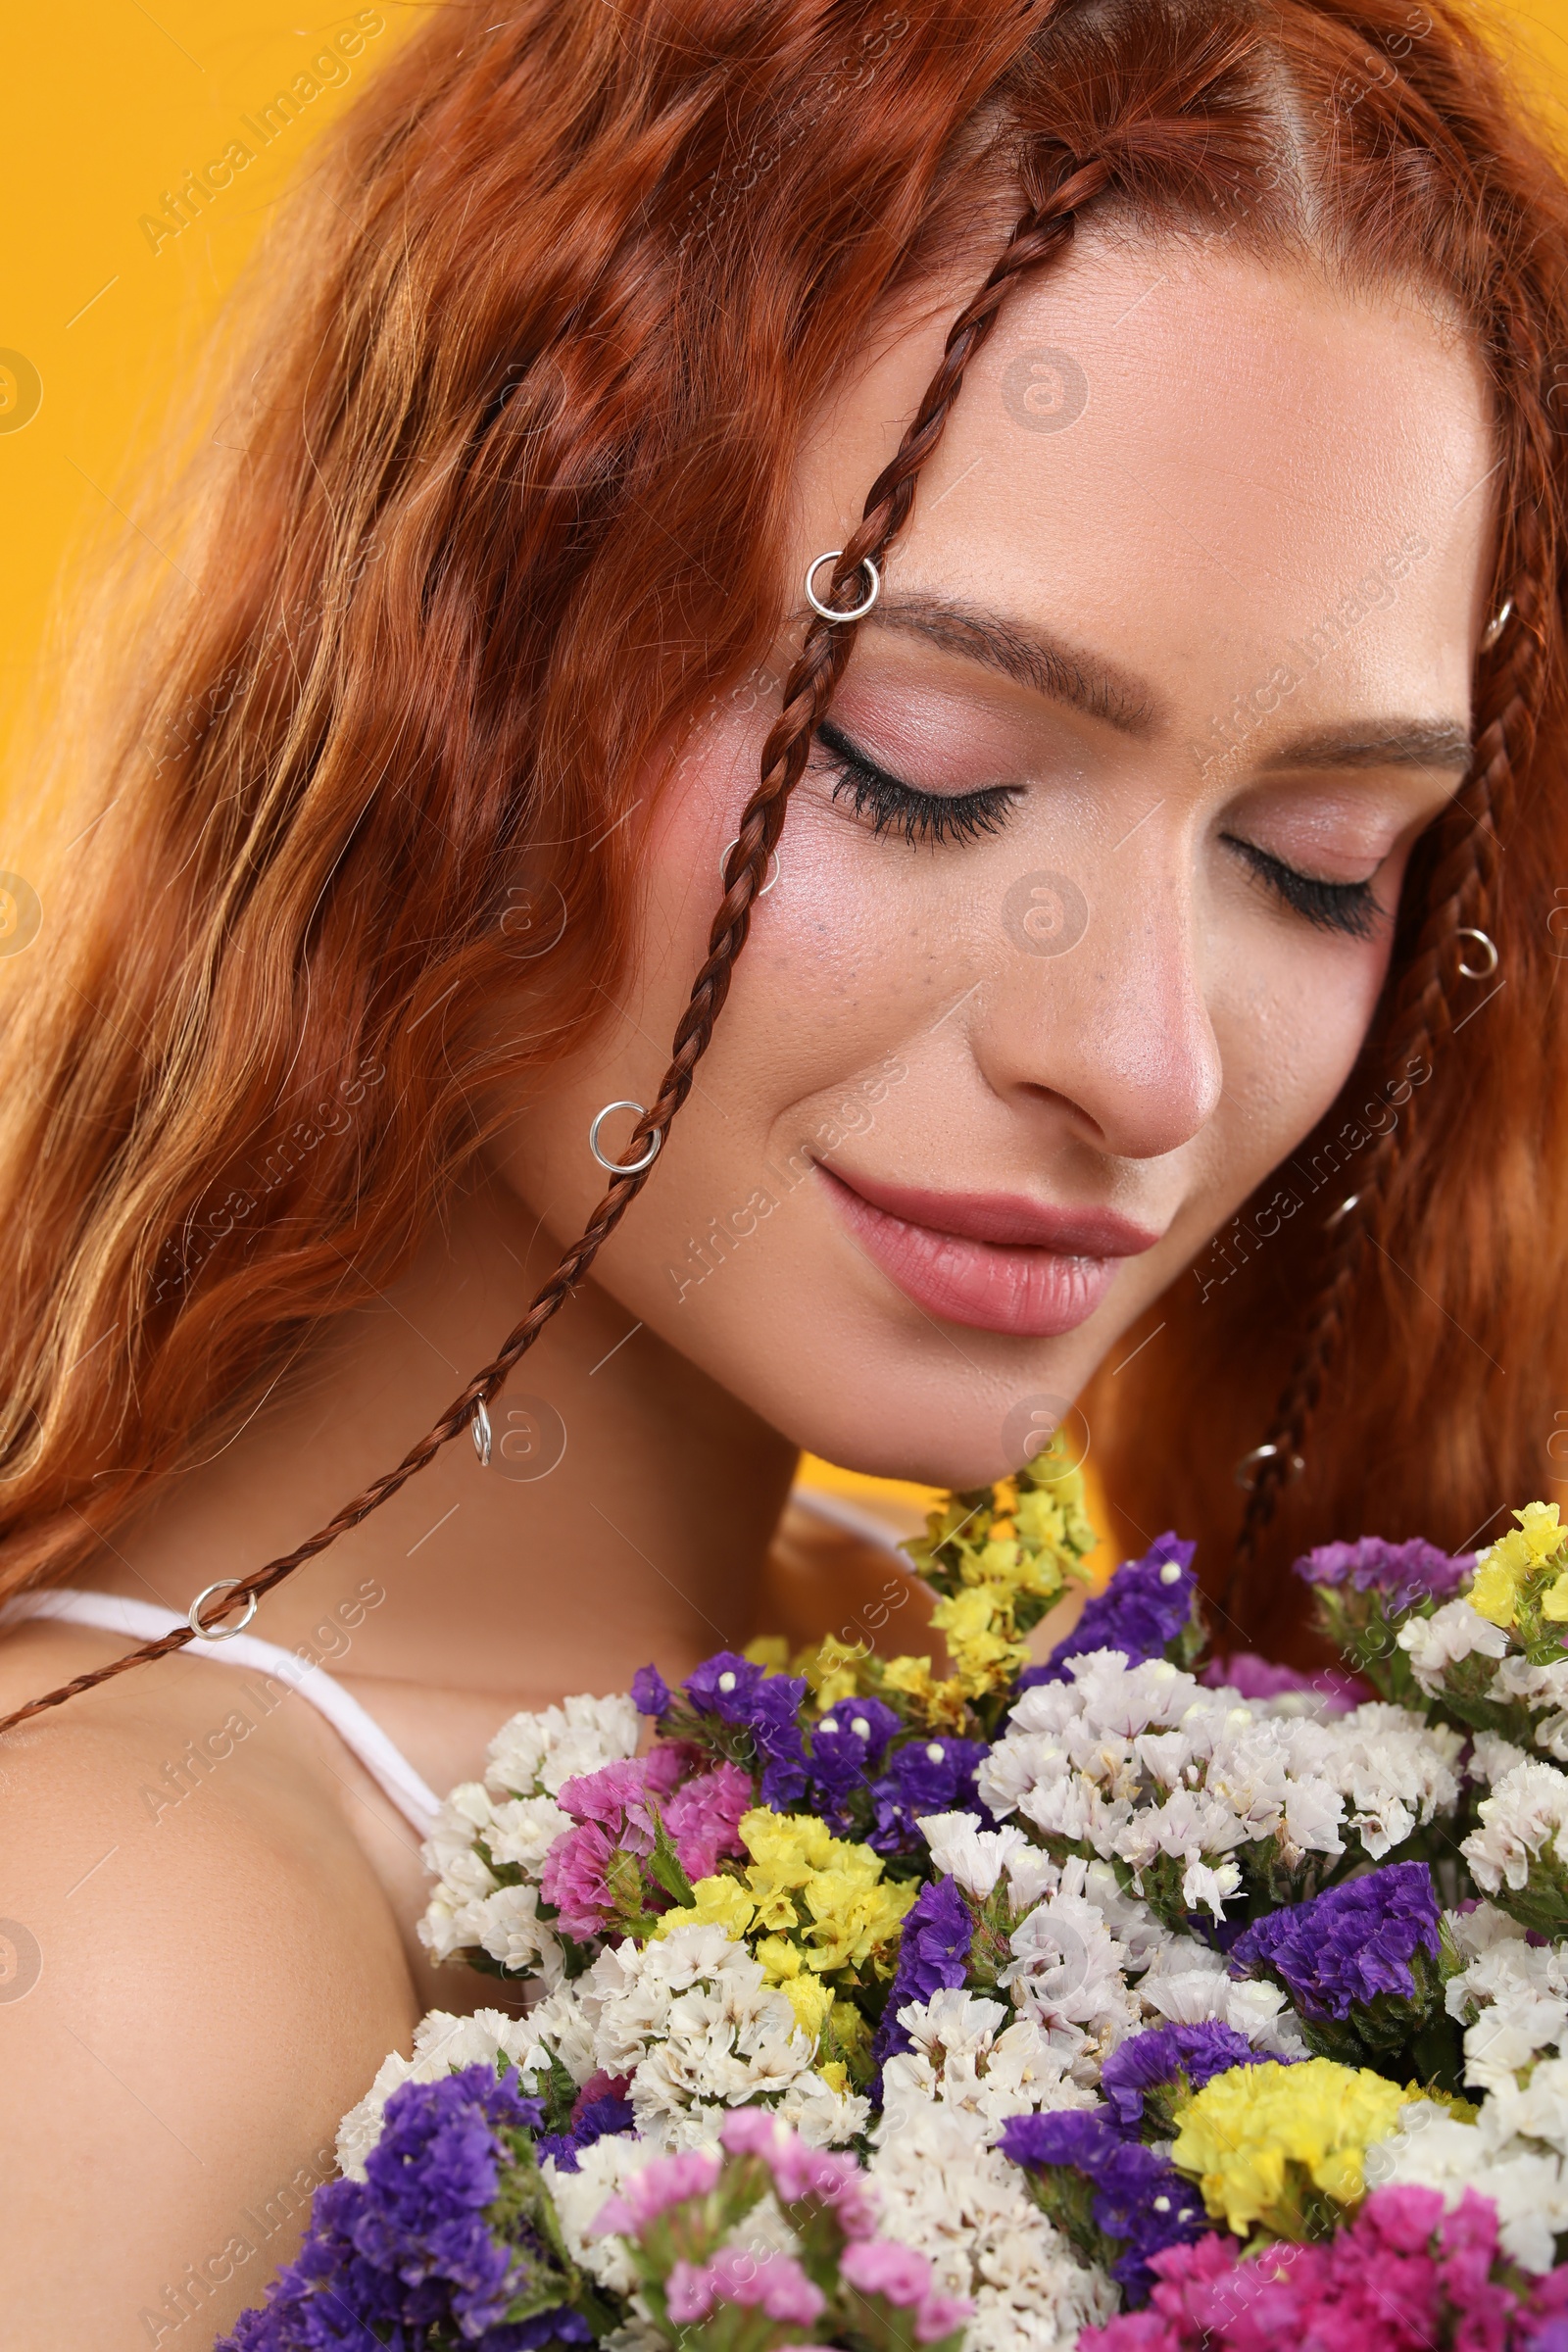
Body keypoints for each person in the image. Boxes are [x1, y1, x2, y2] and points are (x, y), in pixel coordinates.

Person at [1, 0, 1565, 2338]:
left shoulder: (1008, 1707)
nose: (1133, 1061)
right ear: (442, 674)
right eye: (917, 767)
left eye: (1315, 859)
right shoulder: (114, 1970)